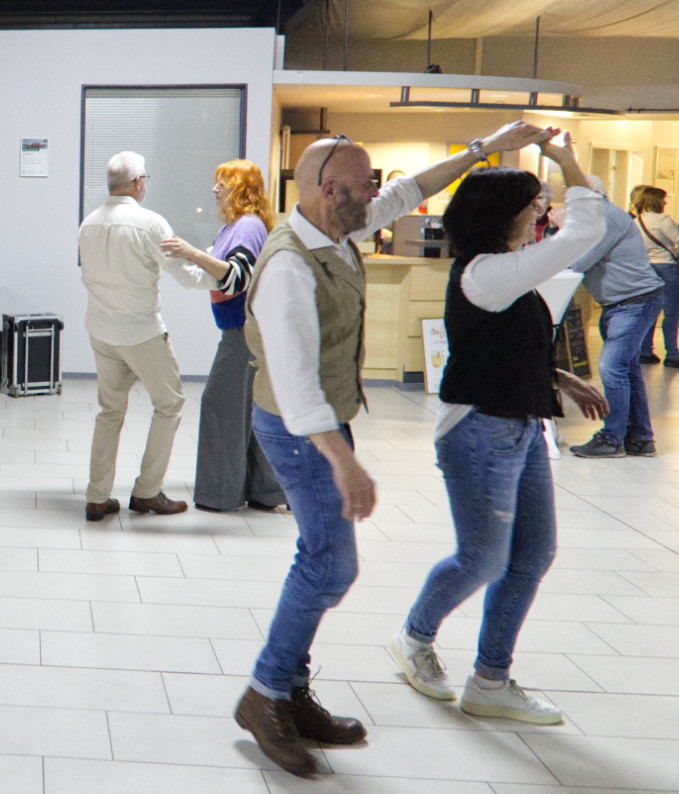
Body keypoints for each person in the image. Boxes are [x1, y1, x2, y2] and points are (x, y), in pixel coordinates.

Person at [234, 122, 555, 777]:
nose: (375, 195)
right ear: (330, 190)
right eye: (364, 186)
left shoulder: (334, 229)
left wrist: (480, 146)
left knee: (321, 560)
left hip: (319, 423)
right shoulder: (290, 264)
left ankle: (287, 689)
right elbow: (296, 388)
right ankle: (265, 695)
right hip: (298, 430)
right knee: (329, 566)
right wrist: (344, 461)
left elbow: (409, 193)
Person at [389, 134, 608, 726]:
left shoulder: (505, 272)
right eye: (533, 204)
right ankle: (414, 638)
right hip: (479, 430)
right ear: (502, 213)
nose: (541, 211)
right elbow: (585, 230)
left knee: (532, 555)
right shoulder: (488, 272)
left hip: (520, 425)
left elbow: (500, 343)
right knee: (482, 559)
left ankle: (490, 679)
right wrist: (565, 161)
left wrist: (559, 377)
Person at [78, 151, 221, 522]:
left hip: (101, 330)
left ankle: (97, 497)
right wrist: (220, 269)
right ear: (139, 182)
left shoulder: (88, 224)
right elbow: (188, 277)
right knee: (169, 403)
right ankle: (146, 492)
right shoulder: (149, 223)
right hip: (140, 331)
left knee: (110, 411)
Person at [159, 159, 286, 513]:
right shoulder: (236, 226)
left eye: (223, 183)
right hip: (247, 330)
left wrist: (190, 253)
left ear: (242, 190)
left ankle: (220, 495)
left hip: (244, 333)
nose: (215, 190)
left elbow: (235, 279)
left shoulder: (247, 226)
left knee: (220, 407)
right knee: (248, 411)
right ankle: (265, 491)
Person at [566, 176, 664, 458]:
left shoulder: (606, 219)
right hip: (622, 303)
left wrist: (561, 228)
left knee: (611, 367)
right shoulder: (598, 218)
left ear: (594, 195)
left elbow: (578, 262)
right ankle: (640, 439)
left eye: (573, 196)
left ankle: (612, 439)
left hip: (634, 302)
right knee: (628, 369)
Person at [632, 186, 679, 367]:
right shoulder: (663, 220)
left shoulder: (637, 222)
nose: (665, 202)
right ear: (657, 201)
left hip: (646, 268)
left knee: (650, 311)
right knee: (671, 313)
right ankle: (672, 354)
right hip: (667, 267)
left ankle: (645, 351)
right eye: (663, 199)